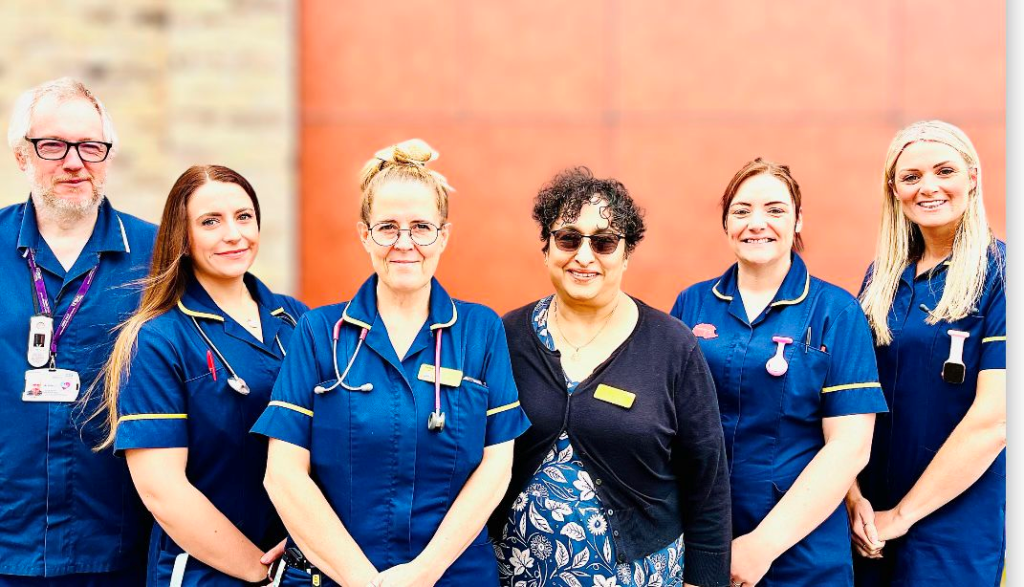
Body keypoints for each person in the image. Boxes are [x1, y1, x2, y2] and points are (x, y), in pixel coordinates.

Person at [253, 138, 530, 586]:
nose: (405, 243)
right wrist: (363, 580)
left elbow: (497, 467)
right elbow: (283, 475)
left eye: (421, 227)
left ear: (445, 234)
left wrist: (424, 572)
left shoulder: (481, 331)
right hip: (337, 576)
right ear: (365, 234)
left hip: (453, 575)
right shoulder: (319, 334)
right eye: (387, 227)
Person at [491, 167, 732, 587]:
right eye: (568, 238)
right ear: (546, 248)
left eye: (603, 242)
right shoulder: (506, 337)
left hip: (644, 575)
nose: (584, 256)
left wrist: (704, 578)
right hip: (514, 574)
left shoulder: (673, 347)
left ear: (626, 253)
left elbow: (707, 478)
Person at [671, 158, 888, 586]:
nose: (757, 223)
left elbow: (849, 448)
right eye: (741, 211)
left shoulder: (835, 312)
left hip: (802, 550)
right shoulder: (691, 305)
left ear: (798, 219)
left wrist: (762, 546)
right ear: (726, 223)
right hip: (702, 536)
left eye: (774, 209)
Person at [97, 165, 308, 585]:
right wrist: (262, 574)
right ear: (183, 236)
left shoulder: (297, 320)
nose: (233, 234)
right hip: (206, 572)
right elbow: (163, 491)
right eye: (211, 222)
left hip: (300, 567)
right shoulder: (158, 339)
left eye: (243, 217)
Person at [0, 77, 155, 585]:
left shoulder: (160, 256)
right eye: (53, 146)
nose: (74, 162)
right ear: (22, 156)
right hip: (7, 545)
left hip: (120, 547)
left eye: (90, 146)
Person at [848, 121, 1006, 585]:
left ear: (972, 177)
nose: (928, 187)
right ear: (894, 189)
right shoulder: (881, 279)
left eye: (945, 171)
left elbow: (995, 421)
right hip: (867, 522)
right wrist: (855, 500)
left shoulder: (1000, 274)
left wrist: (902, 516)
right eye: (912, 177)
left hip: (953, 528)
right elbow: (850, 403)